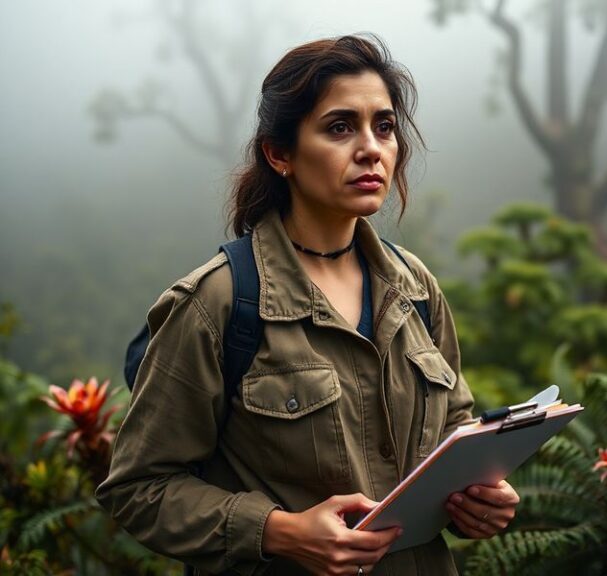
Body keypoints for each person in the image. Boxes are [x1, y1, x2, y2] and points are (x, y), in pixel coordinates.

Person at [96, 34, 519, 576]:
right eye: (340, 127)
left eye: (384, 126)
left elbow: (452, 431)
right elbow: (138, 487)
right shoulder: (220, 302)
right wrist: (280, 532)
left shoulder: (414, 289)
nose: (371, 148)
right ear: (280, 154)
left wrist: (478, 498)